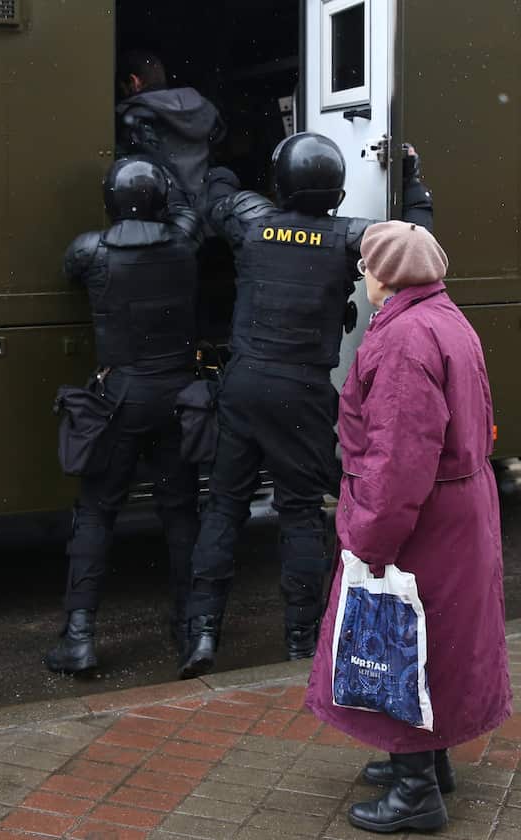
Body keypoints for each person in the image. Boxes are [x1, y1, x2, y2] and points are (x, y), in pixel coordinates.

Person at [177, 133, 433, 679]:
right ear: (337, 190)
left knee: (223, 506)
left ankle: (201, 635)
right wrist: (412, 182)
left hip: (244, 385)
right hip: (302, 393)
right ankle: (299, 640)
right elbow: (417, 246)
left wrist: (218, 161)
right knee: (298, 512)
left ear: (281, 182)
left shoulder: (252, 224)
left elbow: (214, 198)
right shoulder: (348, 237)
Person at [304, 221, 511, 833]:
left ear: (384, 275)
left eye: (366, 267)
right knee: (436, 641)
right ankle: (426, 760)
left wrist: (368, 538)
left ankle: (416, 791)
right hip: (457, 510)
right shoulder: (447, 318)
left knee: (396, 640)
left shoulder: (403, 338)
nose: (363, 277)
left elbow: (398, 458)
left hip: (420, 519)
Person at [44, 157, 202, 674]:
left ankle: (80, 636)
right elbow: (184, 209)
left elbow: (71, 272)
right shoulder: (184, 243)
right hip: (178, 393)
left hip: (121, 397)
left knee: (96, 512)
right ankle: (188, 627)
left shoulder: (91, 250)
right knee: (180, 512)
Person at [117, 50, 226, 208]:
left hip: (165, 221)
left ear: (134, 82)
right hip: (211, 217)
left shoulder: (135, 118)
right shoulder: (204, 109)